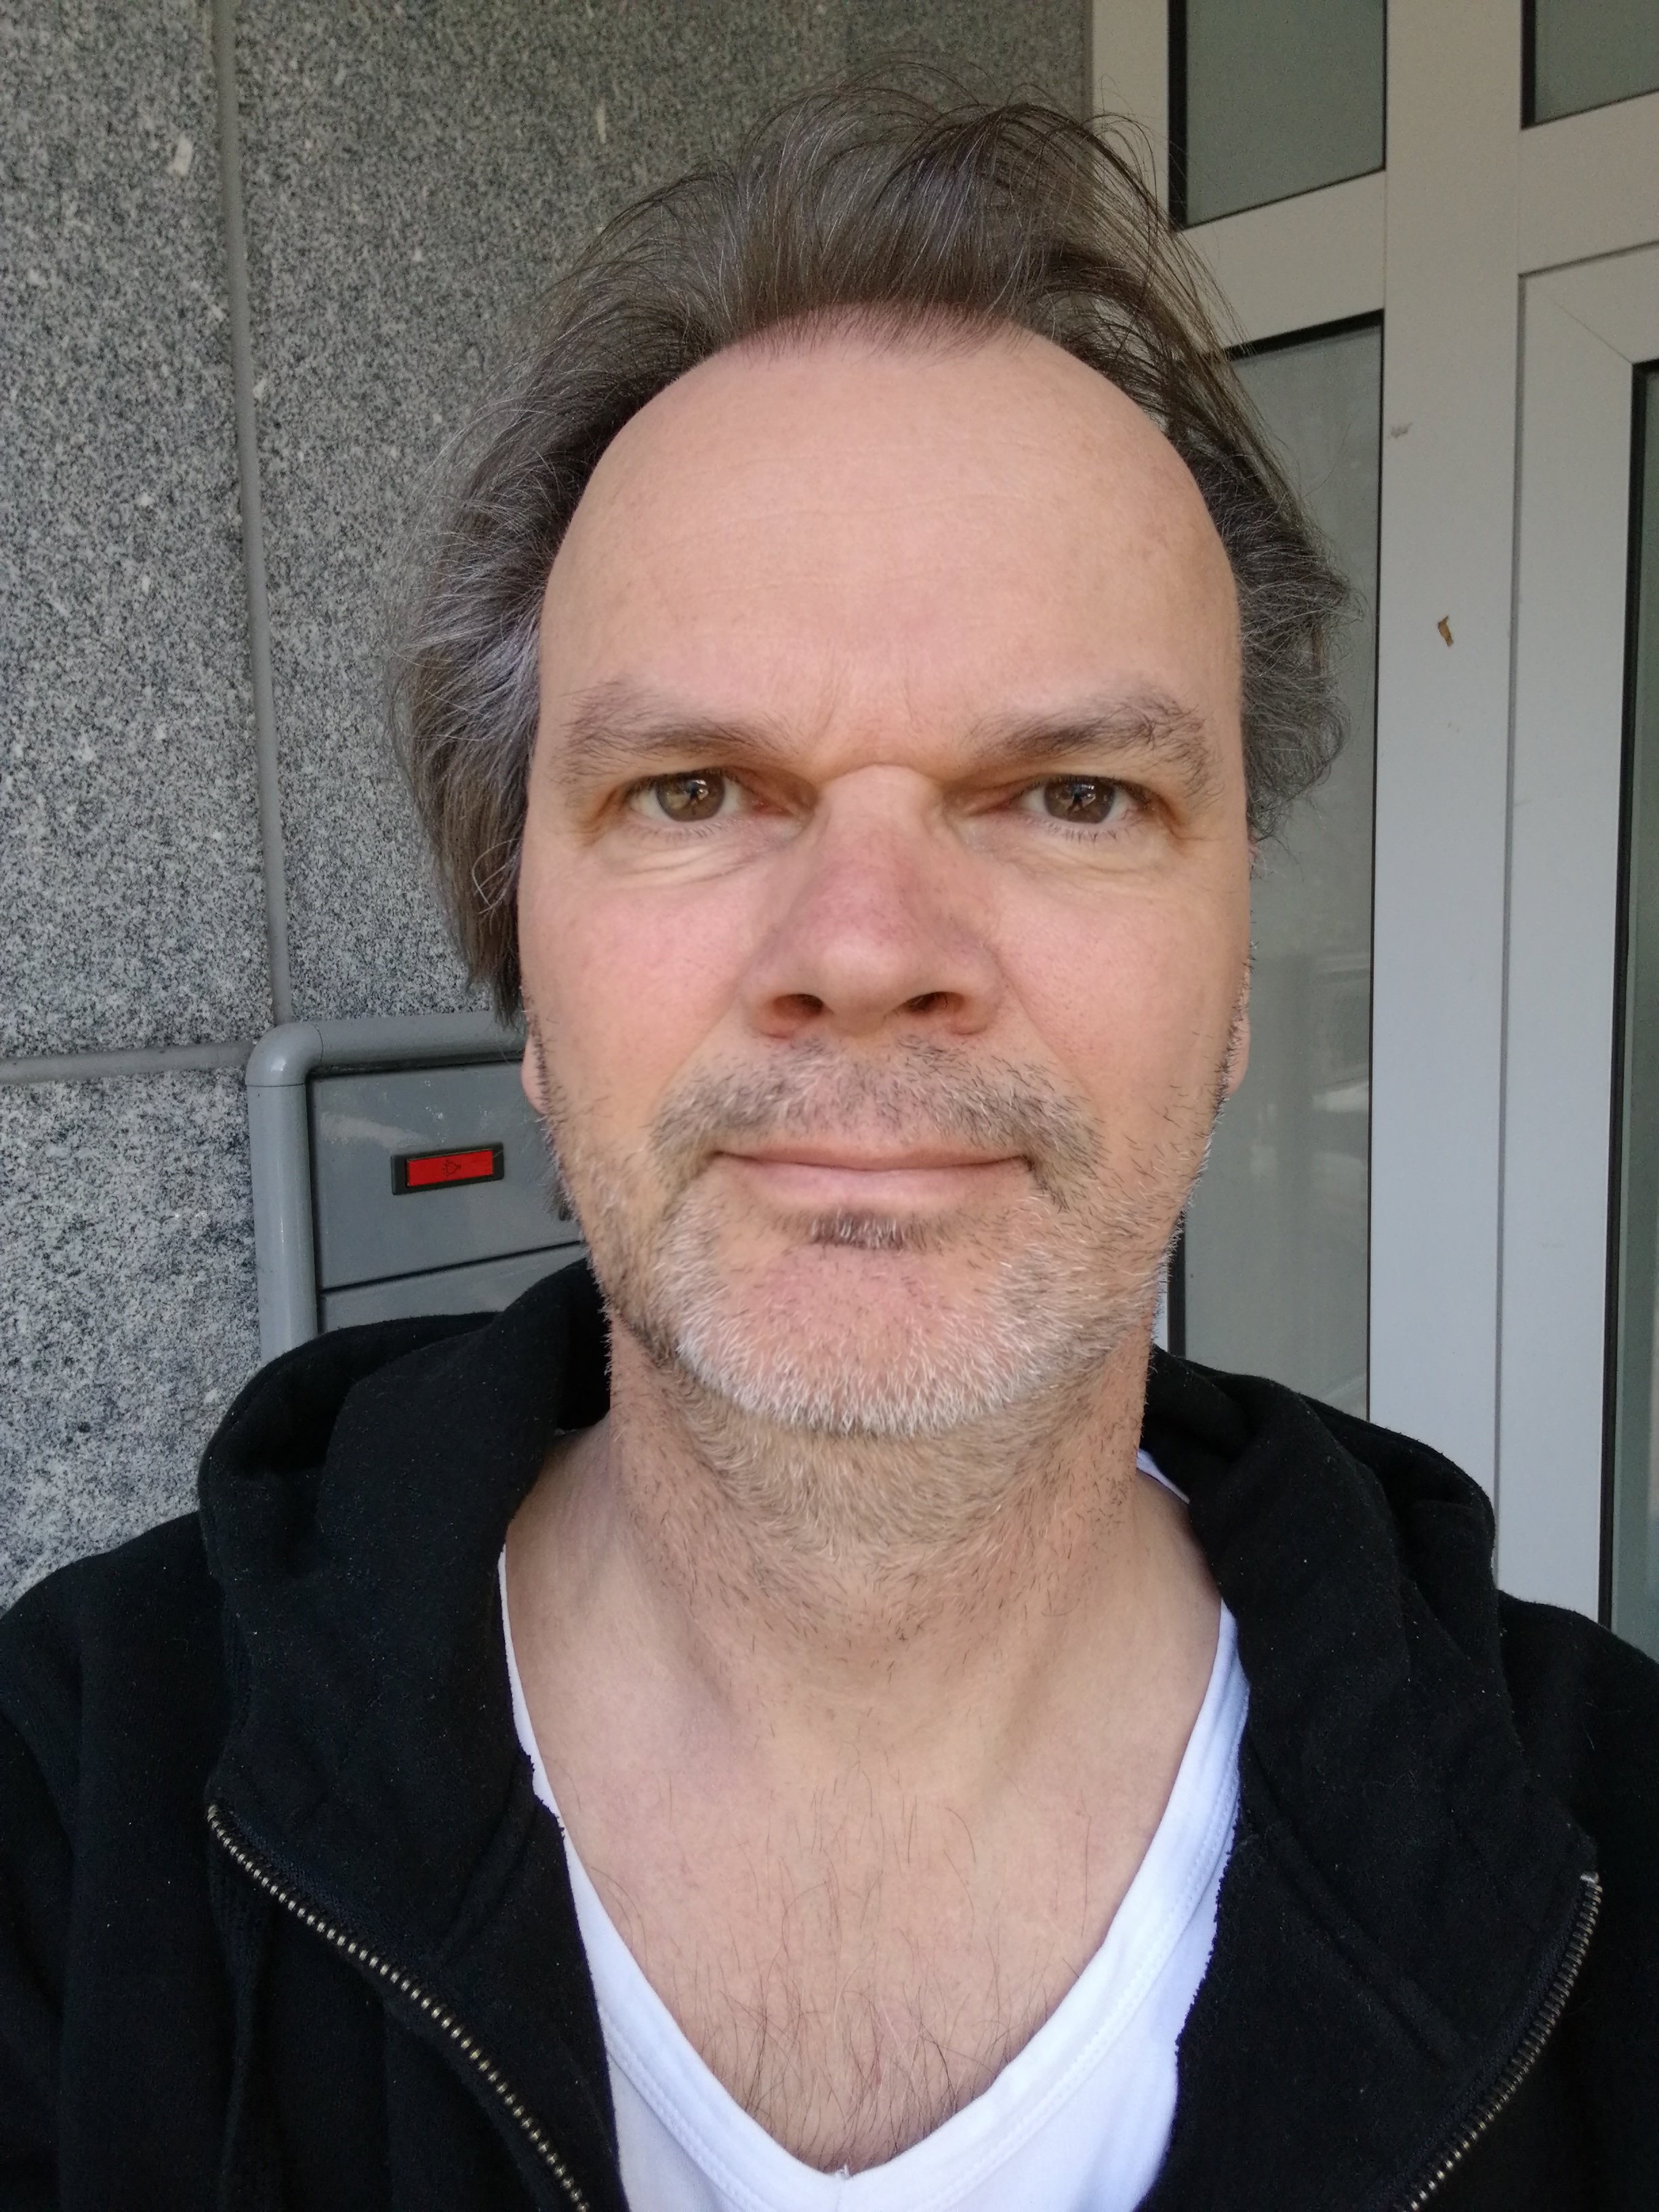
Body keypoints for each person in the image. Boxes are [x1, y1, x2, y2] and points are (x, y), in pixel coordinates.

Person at [2, 85, 1655, 2212]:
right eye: (694, 791)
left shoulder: (1618, 1866)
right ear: (525, 965)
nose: (867, 954)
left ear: (1240, 972)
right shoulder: (71, 1829)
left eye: (1071, 795)